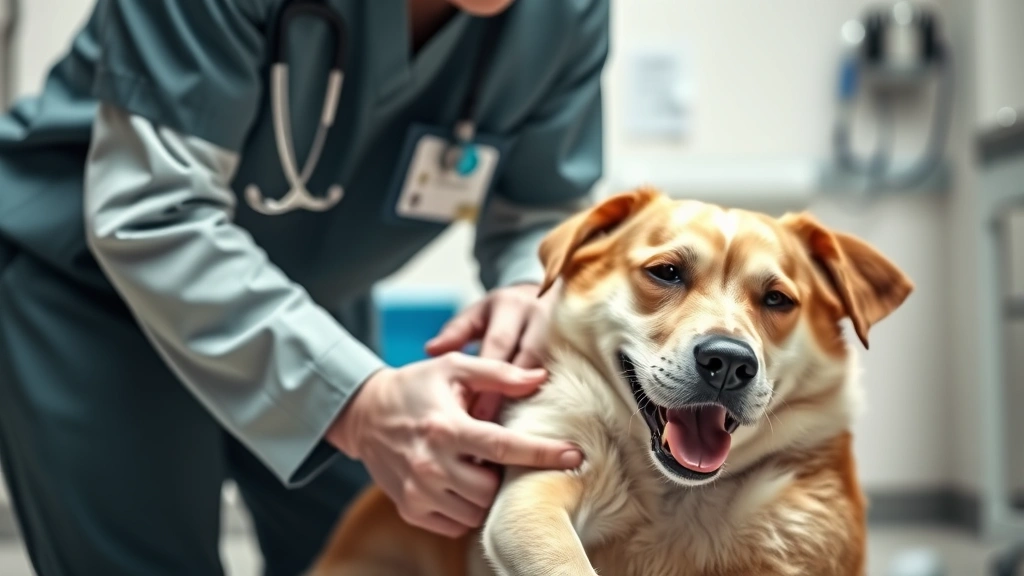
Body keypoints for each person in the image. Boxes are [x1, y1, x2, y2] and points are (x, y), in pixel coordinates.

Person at [0, 0, 609, 574]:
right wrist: (360, 406)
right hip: (91, 297)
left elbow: (542, 205)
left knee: (371, 554)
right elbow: (156, 211)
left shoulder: (564, 14)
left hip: (317, 306)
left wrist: (532, 283)